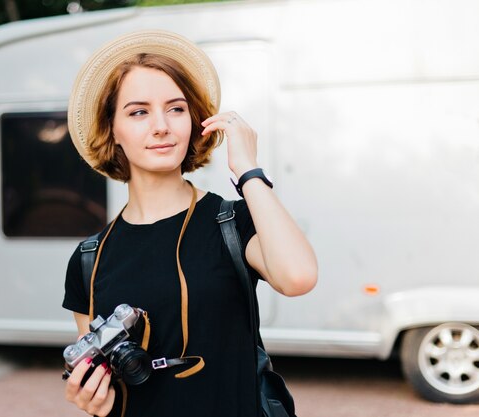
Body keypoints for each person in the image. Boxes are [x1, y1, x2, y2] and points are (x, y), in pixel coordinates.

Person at [62, 30, 317, 417]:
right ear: (112, 129)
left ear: (195, 121)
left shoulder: (232, 221)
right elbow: (103, 384)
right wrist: (93, 402)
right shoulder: (88, 259)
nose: (161, 126)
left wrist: (248, 170)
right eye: (138, 111)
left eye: (176, 108)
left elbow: (298, 277)